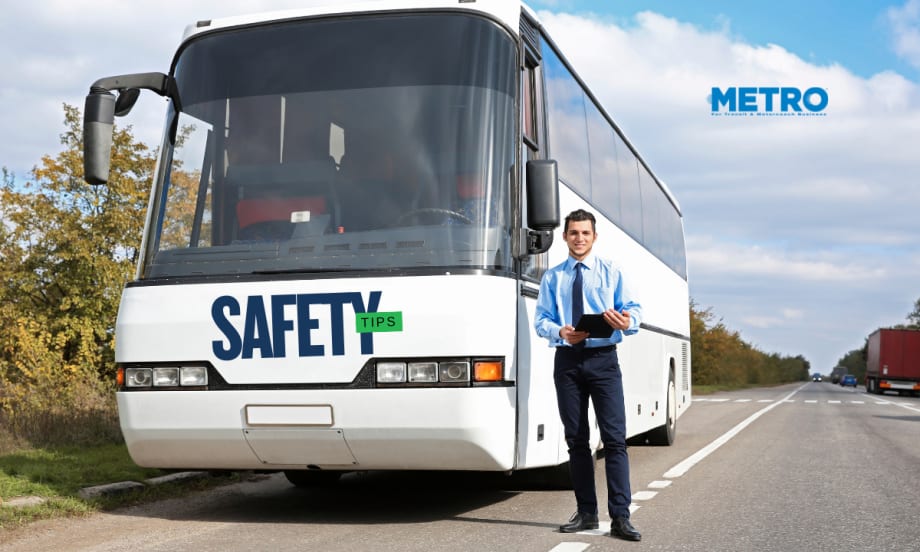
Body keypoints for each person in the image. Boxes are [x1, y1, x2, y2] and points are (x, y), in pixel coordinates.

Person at [533, 208, 643, 542]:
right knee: (577, 440)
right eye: (573, 233)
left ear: (594, 237)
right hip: (567, 361)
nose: (579, 238)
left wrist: (627, 321)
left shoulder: (612, 272)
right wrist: (561, 332)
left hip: (604, 360)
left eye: (585, 233)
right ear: (564, 237)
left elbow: (633, 311)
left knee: (614, 439)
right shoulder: (552, 277)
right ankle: (586, 512)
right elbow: (541, 320)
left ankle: (621, 517)